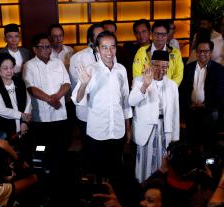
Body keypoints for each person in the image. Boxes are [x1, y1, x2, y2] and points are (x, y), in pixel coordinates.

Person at [72, 31, 132, 178]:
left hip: (118, 130)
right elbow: (78, 100)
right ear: (97, 49)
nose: (109, 52)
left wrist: (128, 128)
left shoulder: (121, 70)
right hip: (97, 131)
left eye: (112, 47)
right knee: (97, 172)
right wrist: (83, 84)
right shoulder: (91, 70)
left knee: (116, 169)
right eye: (104, 47)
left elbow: (125, 101)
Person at [129, 50, 180, 183]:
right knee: (144, 164)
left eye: (165, 67)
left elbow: (175, 112)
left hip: (164, 127)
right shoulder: (139, 80)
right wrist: (145, 86)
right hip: (146, 129)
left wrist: (175, 137)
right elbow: (131, 101)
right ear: (151, 65)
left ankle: (160, 190)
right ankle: (143, 188)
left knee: (163, 161)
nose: (161, 70)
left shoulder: (172, 85)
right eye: (158, 66)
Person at [23, 33, 71, 171]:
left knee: (60, 145)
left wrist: (56, 97)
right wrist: (50, 99)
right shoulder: (29, 65)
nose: (46, 50)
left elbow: (67, 83)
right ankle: (41, 170)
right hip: (40, 116)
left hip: (59, 113)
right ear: (34, 49)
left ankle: (59, 170)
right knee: (41, 146)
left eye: (48, 47)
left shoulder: (58, 62)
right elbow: (31, 88)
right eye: (42, 47)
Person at [180, 39, 224, 150]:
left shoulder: (218, 69)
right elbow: (183, 90)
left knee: (209, 144)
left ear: (211, 53)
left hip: (209, 110)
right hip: (191, 110)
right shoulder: (188, 68)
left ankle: (207, 164)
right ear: (196, 52)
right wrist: (188, 104)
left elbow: (219, 93)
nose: (202, 54)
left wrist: (206, 105)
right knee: (191, 144)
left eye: (205, 51)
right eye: (200, 51)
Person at [0, 52, 32, 140]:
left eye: (11, 67)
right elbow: (1, 110)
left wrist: (25, 122)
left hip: (23, 127)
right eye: (5, 68)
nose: (9, 71)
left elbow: (28, 102)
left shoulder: (19, 82)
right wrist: (21, 115)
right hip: (3, 133)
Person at [69, 23, 104, 130]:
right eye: (98, 36)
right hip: (87, 111)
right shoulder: (77, 57)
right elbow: (75, 85)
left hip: (105, 111)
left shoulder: (110, 55)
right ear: (90, 38)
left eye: (103, 34)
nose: (101, 38)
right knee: (89, 144)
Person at [133, 20, 184, 86]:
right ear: (151, 33)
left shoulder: (175, 53)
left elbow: (178, 76)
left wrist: (168, 90)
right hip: (147, 92)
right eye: (157, 34)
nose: (160, 37)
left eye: (163, 34)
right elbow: (137, 76)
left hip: (168, 93)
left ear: (167, 35)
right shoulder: (142, 51)